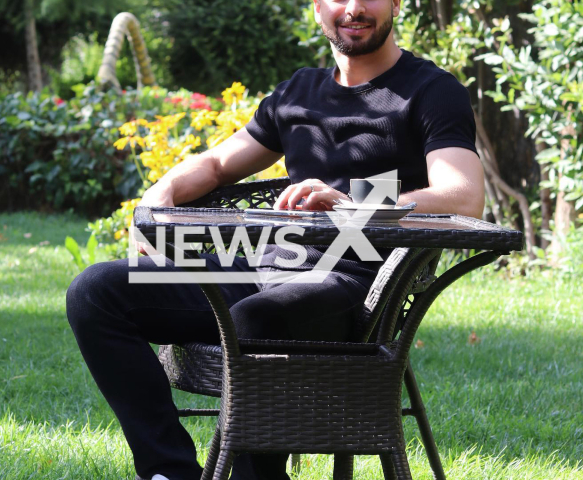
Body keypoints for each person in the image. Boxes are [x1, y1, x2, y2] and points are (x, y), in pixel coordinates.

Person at [66, 0, 485, 479]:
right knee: (96, 291)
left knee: (256, 318)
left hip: (354, 284)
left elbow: (464, 196)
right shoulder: (299, 91)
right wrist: (158, 196)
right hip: (262, 268)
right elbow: (218, 165)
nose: (352, 9)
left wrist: (348, 201)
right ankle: (169, 471)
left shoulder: (430, 90)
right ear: (316, 9)